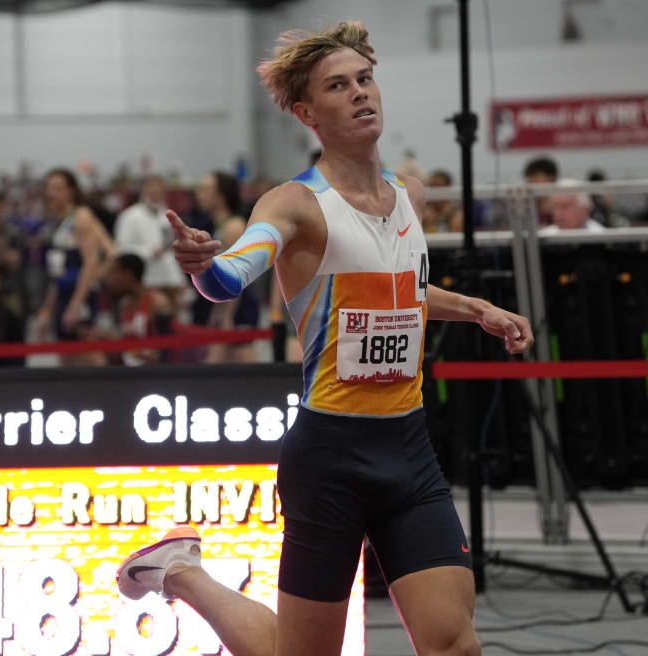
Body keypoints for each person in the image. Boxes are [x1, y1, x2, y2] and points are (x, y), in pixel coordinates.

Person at [117, 22, 533, 656]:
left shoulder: (407, 196)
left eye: (365, 80)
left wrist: (474, 308)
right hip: (330, 457)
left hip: (408, 447)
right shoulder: (294, 205)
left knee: (455, 646)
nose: (361, 94)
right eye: (339, 86)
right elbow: (231, 279)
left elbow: (393, 289)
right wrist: (204, 265)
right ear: (309, 112)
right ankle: (184, 574)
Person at [34, 168, 114, 366]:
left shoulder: (81, 216)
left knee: (90, 354)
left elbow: (93, 260)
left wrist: (78, 301)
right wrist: (46, 310)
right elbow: (57, 273)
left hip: (80, 296)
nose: (51, 193)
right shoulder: (55, 222)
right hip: (62, 294)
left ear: (71, 191)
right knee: (66, 357)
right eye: (48, 188)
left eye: (57, 188)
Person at [192, 170, 262, 363]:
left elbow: (235, 275)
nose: (199, 194)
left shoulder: (233, 227)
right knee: (228, 361)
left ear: (221, 196)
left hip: (238, 305)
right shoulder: (218, 226)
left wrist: (226, 317)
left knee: (236, 360)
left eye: (205, 190)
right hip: (225, 304)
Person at [114, 175, 186, 312]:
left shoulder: (167, 215)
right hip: (144, 280)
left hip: (168, 278)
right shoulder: (130, 216)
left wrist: (179, 279)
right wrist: (149, 252)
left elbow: (170, 248)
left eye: (159, 187)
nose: (155, 191)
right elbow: (122, 248)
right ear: (143, 189)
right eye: (151, 186)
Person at [101, 253, 173, 366]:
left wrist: (124, 349)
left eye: (114, 272)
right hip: (128, 372)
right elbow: (126, 343)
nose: (110, 280)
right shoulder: (124, 304)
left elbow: (162, 353)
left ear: (128, 274)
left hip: (153, 373)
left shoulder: (156, 302)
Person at [540, 179, 606, 234]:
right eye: (555, 207)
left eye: (564, 206)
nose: (557, 213)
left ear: (585, 210)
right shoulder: (543, 237)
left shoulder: (602, 237)